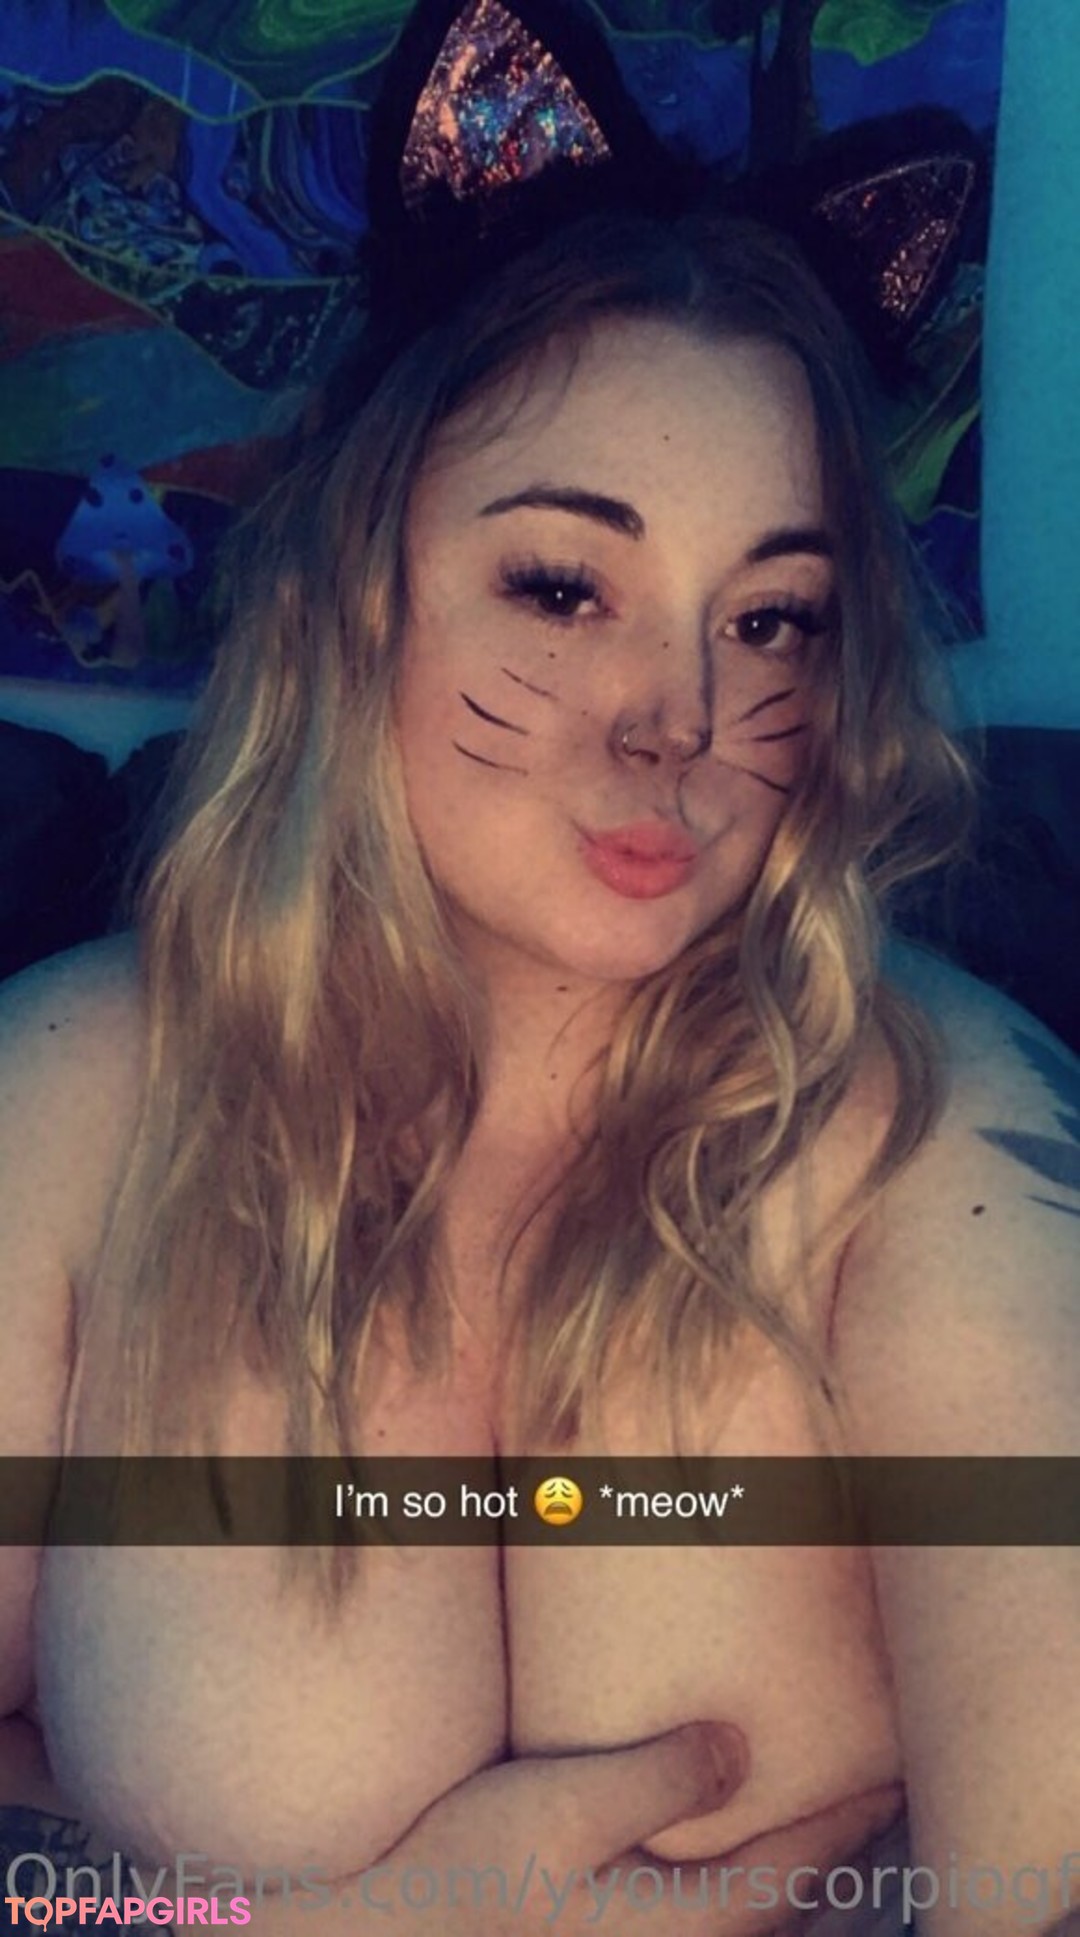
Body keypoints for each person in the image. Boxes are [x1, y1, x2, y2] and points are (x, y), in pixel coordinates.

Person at [1, 187, 1078, 1937]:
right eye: (565, 587)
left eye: (773, 618)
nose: (679, 721)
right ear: (357, 591)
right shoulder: (79, 1092)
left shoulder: (935, 1136)